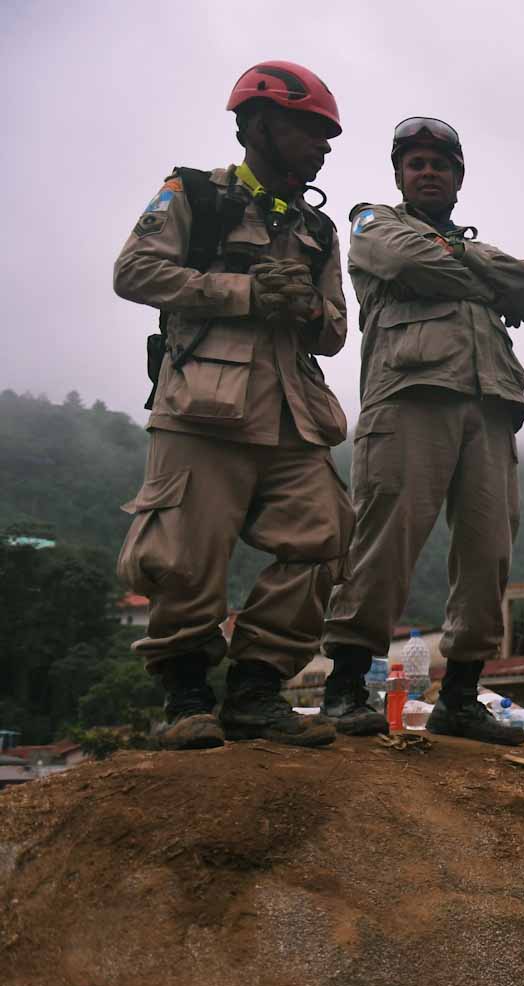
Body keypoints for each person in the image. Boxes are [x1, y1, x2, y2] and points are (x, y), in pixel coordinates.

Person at [112, 60, 353, 750]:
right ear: (259, 126)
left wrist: (305, 303)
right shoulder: (193, 194)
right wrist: (243, 292)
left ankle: (256, 689)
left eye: (327, 136)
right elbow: (134, 272)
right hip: (202, 406)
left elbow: (335, 332)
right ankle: (186, 696)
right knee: (186, 554)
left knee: (326, 538)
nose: (323, 147)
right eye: (310, 131)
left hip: (292, 412)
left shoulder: (318, 229)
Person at [318, 117, 524, 745]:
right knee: (384, 537)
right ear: (399, 176)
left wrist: (458, 257)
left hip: (492, 405)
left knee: (489, 550)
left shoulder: (470, 246)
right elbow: (398, 257)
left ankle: (460, 696)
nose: (427, 172)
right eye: (415, 163)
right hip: (409, 399)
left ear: (457, 179)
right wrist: (483, 279)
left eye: (439, 165)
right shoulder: (374, 222)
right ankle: (342, 687)